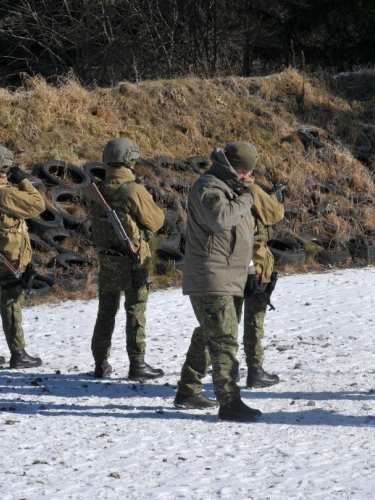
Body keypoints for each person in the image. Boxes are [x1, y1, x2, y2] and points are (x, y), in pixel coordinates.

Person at [174, 144, 261, 422]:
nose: (248, 177)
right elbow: (220, 219)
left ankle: (188, 390)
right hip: (212, 276)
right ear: (233, 167)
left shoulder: (231, 189)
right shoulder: (208, 187)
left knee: (210, 332)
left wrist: (249, 273)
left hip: (228, 276)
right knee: (224, 340)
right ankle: (230, 401)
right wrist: (248, 198)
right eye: (245, 171)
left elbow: (241, 238)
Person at [89, 138, 165, 380]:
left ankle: (100, 362)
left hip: (108, 258)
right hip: (133, 259)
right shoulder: (133, 190)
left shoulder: (97, 189)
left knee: (106, 311)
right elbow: (156, 221)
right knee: (135, 310)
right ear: (131, 159)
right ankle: (137, 363)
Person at [0, 144, 45, 369]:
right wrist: (24, 181)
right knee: (10, 304)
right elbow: (38, 205)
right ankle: (18, 353)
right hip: (11, 257)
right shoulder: (5, 193)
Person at [234, 142, 287, 389]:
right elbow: (274, 214)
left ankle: (228, 368)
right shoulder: (250, 189)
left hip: (228, 264)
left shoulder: (217, 187)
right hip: (256, 261)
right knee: (255, 319)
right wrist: (274, 199)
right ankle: (255, 369)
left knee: (228, 320)